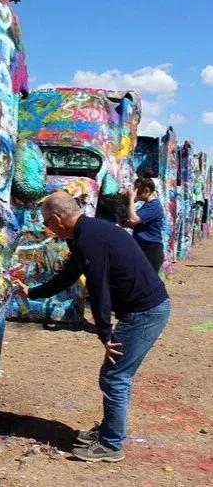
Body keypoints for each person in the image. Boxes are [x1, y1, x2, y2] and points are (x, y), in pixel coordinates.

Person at [14, 191, 170, 462]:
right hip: (144, 309)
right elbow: (69, 275)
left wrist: (105, 334)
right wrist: (34, 292)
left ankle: (111, 445)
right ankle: (111, 431)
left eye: (46, 223)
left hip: (145, 312)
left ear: (57, 218)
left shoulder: (90, 238)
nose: (46, 228)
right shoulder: (85, 234)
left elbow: (98, 288)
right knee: (116, 375)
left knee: (115, 377)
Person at [126, 177, 165, 273]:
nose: (135, 193)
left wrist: (131, 199)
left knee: (147, 283)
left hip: (151, 249)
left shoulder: (154, 206)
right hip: (143, 247)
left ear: (147, 190)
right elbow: (133, 222)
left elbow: (133, 219)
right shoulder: (147, 206)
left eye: (137, 190)